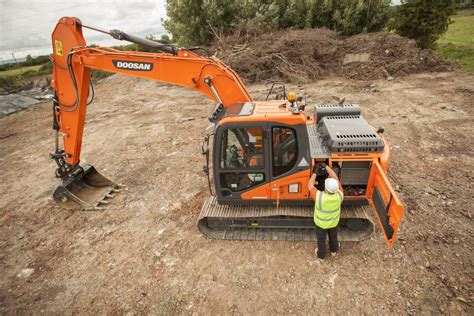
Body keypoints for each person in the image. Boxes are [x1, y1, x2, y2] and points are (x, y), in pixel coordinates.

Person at [307, 163, 343, 259]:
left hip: (321, 224)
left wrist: (315, 172)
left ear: (325, 188)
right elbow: (336, 180)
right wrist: (327, 167)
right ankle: (333, 251)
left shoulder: (319, 197)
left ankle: (321, 254)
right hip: (333, 223)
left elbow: (310, 185)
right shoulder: (340, 195)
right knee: (333, 237)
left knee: (321, 239)